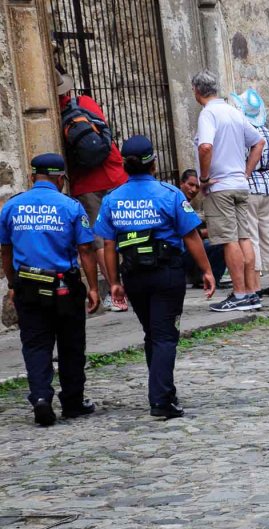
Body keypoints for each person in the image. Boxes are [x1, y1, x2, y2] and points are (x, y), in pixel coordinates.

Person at [94, 136, 216, 419]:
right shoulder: (170, 194)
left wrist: (114, 282)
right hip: (166, 274)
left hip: (134, 276)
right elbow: (191, 235)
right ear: (154, 164)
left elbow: (108, 245)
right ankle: (161, 399)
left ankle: (163, 390)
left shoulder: (113, 198)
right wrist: (206, 270)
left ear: (125, 165)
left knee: (153, 333)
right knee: (164, 336)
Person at [0, 153, 100, 426]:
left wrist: (12, 283)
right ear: (60, 178)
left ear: (33, 177)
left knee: (35, 345)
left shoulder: (11, 207)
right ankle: (73, 401)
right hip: (63, 286)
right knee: (71, 344)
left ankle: (41, 398)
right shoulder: (71, 207)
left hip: (28, 285)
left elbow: (5, 251)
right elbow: (85, 249)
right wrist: (93, 287)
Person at [192, 70, 265, 311]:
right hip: (239, 185)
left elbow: (205, 147)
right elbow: (259, 142)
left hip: (220, 185)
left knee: (228, 240)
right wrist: (245, 172)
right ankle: (253, 291)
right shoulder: (234, 111)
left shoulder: (208, 114)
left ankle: (239, 293)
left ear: (197, 91)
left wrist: (204, 178)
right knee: (244, 238)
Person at [56, 72, 128, 312]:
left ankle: (117, 295)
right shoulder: (85, 102)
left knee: (99, 240)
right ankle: (134, 286)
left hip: (86, 183)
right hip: (115, 173)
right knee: (124, 233)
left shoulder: (56, 115)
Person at [230, 88, 269, 298]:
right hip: (268, 188)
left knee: (251, 235)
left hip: (250, 186)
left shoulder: (245, 132)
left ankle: (255, 284)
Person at [178, 169, 226, 287]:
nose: (193, 190)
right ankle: (211, 280)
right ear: (181, 184)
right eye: (190, 185)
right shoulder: (178, 201)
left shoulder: (185, 202)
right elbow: (188, 234)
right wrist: (206, 233)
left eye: (197, 186)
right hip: (178, 253)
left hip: (185, 251)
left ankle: (202, 277)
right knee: (221, 244)